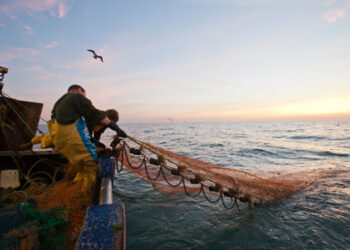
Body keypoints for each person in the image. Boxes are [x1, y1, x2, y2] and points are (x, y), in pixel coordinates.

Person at [50, 84, 127, 194]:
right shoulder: (77, 96)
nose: (85, 98)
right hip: (73, 137)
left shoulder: (58, 103)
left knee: (82, 166)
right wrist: (115, 127)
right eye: (84, 95)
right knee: (92, 165)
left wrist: (98, 143)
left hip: (59, 139)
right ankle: (83, 195)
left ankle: (77, 185)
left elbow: (97, 135)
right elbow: (92, 115)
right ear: (80, 90)